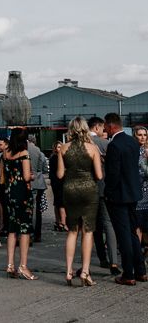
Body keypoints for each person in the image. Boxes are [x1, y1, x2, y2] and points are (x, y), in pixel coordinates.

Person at [55, 117, 103, 286]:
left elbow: (60, 175)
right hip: (89, 190)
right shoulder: (92, 148)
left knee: (73, 231)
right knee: (88, 231)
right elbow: (99, 175)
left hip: (70, 190)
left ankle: (68, 272)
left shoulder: (64, 148)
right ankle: (84, 272)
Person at [103, 113, 147, 285]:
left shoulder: (114, 145)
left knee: (123, 236)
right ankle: (141, 271)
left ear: (111, 125)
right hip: (133, 194)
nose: (105, 129)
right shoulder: (132, 142)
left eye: (106, 126)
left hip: (119, 196)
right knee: (133, 232)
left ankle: (128, 274)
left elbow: (113, 175)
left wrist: (108, 192)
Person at [0, 128, 36, 280]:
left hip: (9, 193)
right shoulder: (24, 154)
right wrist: (32, 176)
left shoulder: (5, 154)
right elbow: (27, 176)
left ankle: (10, 265)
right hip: (22, 193)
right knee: (25, 230)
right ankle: (23, 266)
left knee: (12, 229)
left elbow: (1, 178)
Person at [87, 116, 119, 274]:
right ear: (97, 127)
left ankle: (102, 258)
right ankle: (114, 262)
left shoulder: (82, 145)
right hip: (105, 188)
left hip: (88, 190)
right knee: (109, 225)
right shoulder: (107, 144)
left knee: (95, 227)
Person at [27, 135, 48, 243]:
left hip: (28, 181)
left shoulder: (24, 150)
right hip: (39, 182)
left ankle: (29, 232)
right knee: (38, 210)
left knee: (30, 209)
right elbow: (43, 168)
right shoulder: (39, 152)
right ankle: (37, 234)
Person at [134, 125, 148, 250]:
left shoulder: (147, 151)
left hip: (147, 190)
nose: (142, 137)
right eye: (140, 134)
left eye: (144, 135)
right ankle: (138, 253)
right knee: (137, 225)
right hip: (137, 192)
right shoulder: (132, 151)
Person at [49, 143, 68, 232]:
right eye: (58, 147)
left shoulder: (53, 157)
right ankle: (63, 223)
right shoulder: (56, 158)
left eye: (61, 146)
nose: (60, 148)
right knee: (61, 203)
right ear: (55, 148)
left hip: (57, 182)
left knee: (57, 202)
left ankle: (58, 221)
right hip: (59, 182)